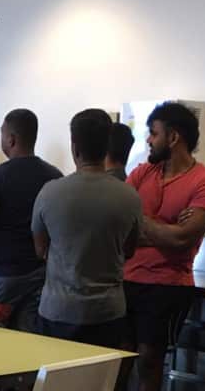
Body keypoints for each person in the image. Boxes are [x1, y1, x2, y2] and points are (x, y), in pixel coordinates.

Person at [118, 102, 205, 391]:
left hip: (167, 286)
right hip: (127, 281)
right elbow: (124, 228)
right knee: (117, 361)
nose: (148, 140)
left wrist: (143, 223)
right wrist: (164, 228)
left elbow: (183, 240)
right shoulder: (142, 173)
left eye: (154, 133)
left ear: (173, 137)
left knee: (149, 359)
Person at [31, 109, 141, 348]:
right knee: (102, 373)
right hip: (108, 311)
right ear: (107, 147)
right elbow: (130, 250)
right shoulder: (129, 196)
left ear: (75, 147)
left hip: (58, 310)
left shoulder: (50, 192)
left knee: (56, 372)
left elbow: (40, 250)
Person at [0, 109, 62, 330]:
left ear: (11, 139)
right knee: (26, 345)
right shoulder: (55, 176)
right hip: (38, 276)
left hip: (1, 277)